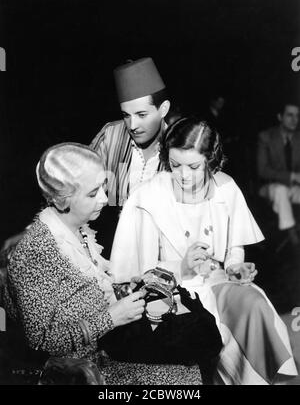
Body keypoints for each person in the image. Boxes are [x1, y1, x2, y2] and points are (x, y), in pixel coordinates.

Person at [110, 117, 298, 385]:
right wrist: (180, 267)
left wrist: (235, 266)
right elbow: (137, 274)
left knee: (254, 303)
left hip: (216, 282)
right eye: (175, 165)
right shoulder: (148, 196)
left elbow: (235, 245)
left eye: (194, 166)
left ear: (211, 160)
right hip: (170, 293)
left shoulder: (225, 187)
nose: (184, 175)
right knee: (204, 332)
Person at [3, 142, 205, 385]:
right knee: (181, 378)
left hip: (108, 349)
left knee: (190, 364)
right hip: (80, 372)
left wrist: (126, 289)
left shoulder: (79, 231)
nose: (103, 198)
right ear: (60, 199)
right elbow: (41, 341)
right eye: (92, 193)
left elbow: (88, 292)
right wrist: (111, 317)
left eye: (102, 188)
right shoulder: (36, 250)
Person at [89, 57, 170, 257]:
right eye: (126, 115)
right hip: (108, 246)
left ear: (163, 109)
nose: (132, 125)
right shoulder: (111, 135)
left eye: (142, 115)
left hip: (162, 252)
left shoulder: (180, 147)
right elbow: (77, 185)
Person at [257, 102, 300, 245]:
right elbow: (262, 170)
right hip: (271, 188)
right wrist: (292, 176)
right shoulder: (266, 137)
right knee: (281, 192)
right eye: (290, 115)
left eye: (297, 116)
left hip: (294, 188)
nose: (294, 119)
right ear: (280, 117)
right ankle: (293, 236)